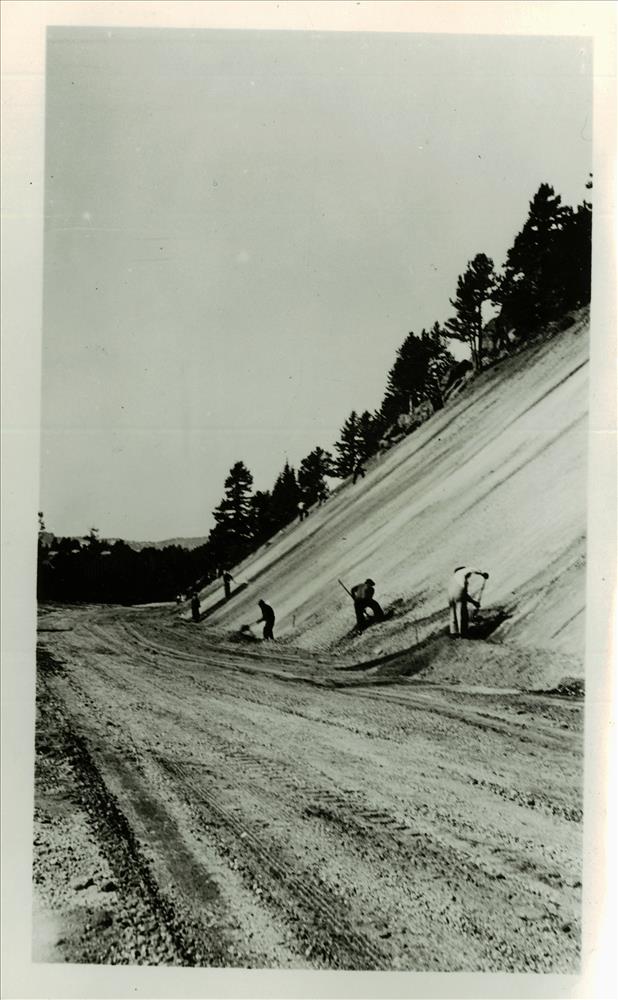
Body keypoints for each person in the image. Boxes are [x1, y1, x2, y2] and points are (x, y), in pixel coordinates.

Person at [447, 566, 489, 638]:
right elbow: (472, 569)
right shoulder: (462, 572)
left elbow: (464, 595)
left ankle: (453, 632)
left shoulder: (455, 579)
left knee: (453, 612)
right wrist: (482, 574)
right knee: (461, 612)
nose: (470, 575)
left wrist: (474, 602)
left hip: (450, 595)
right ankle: (462, 633)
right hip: (458, 594)